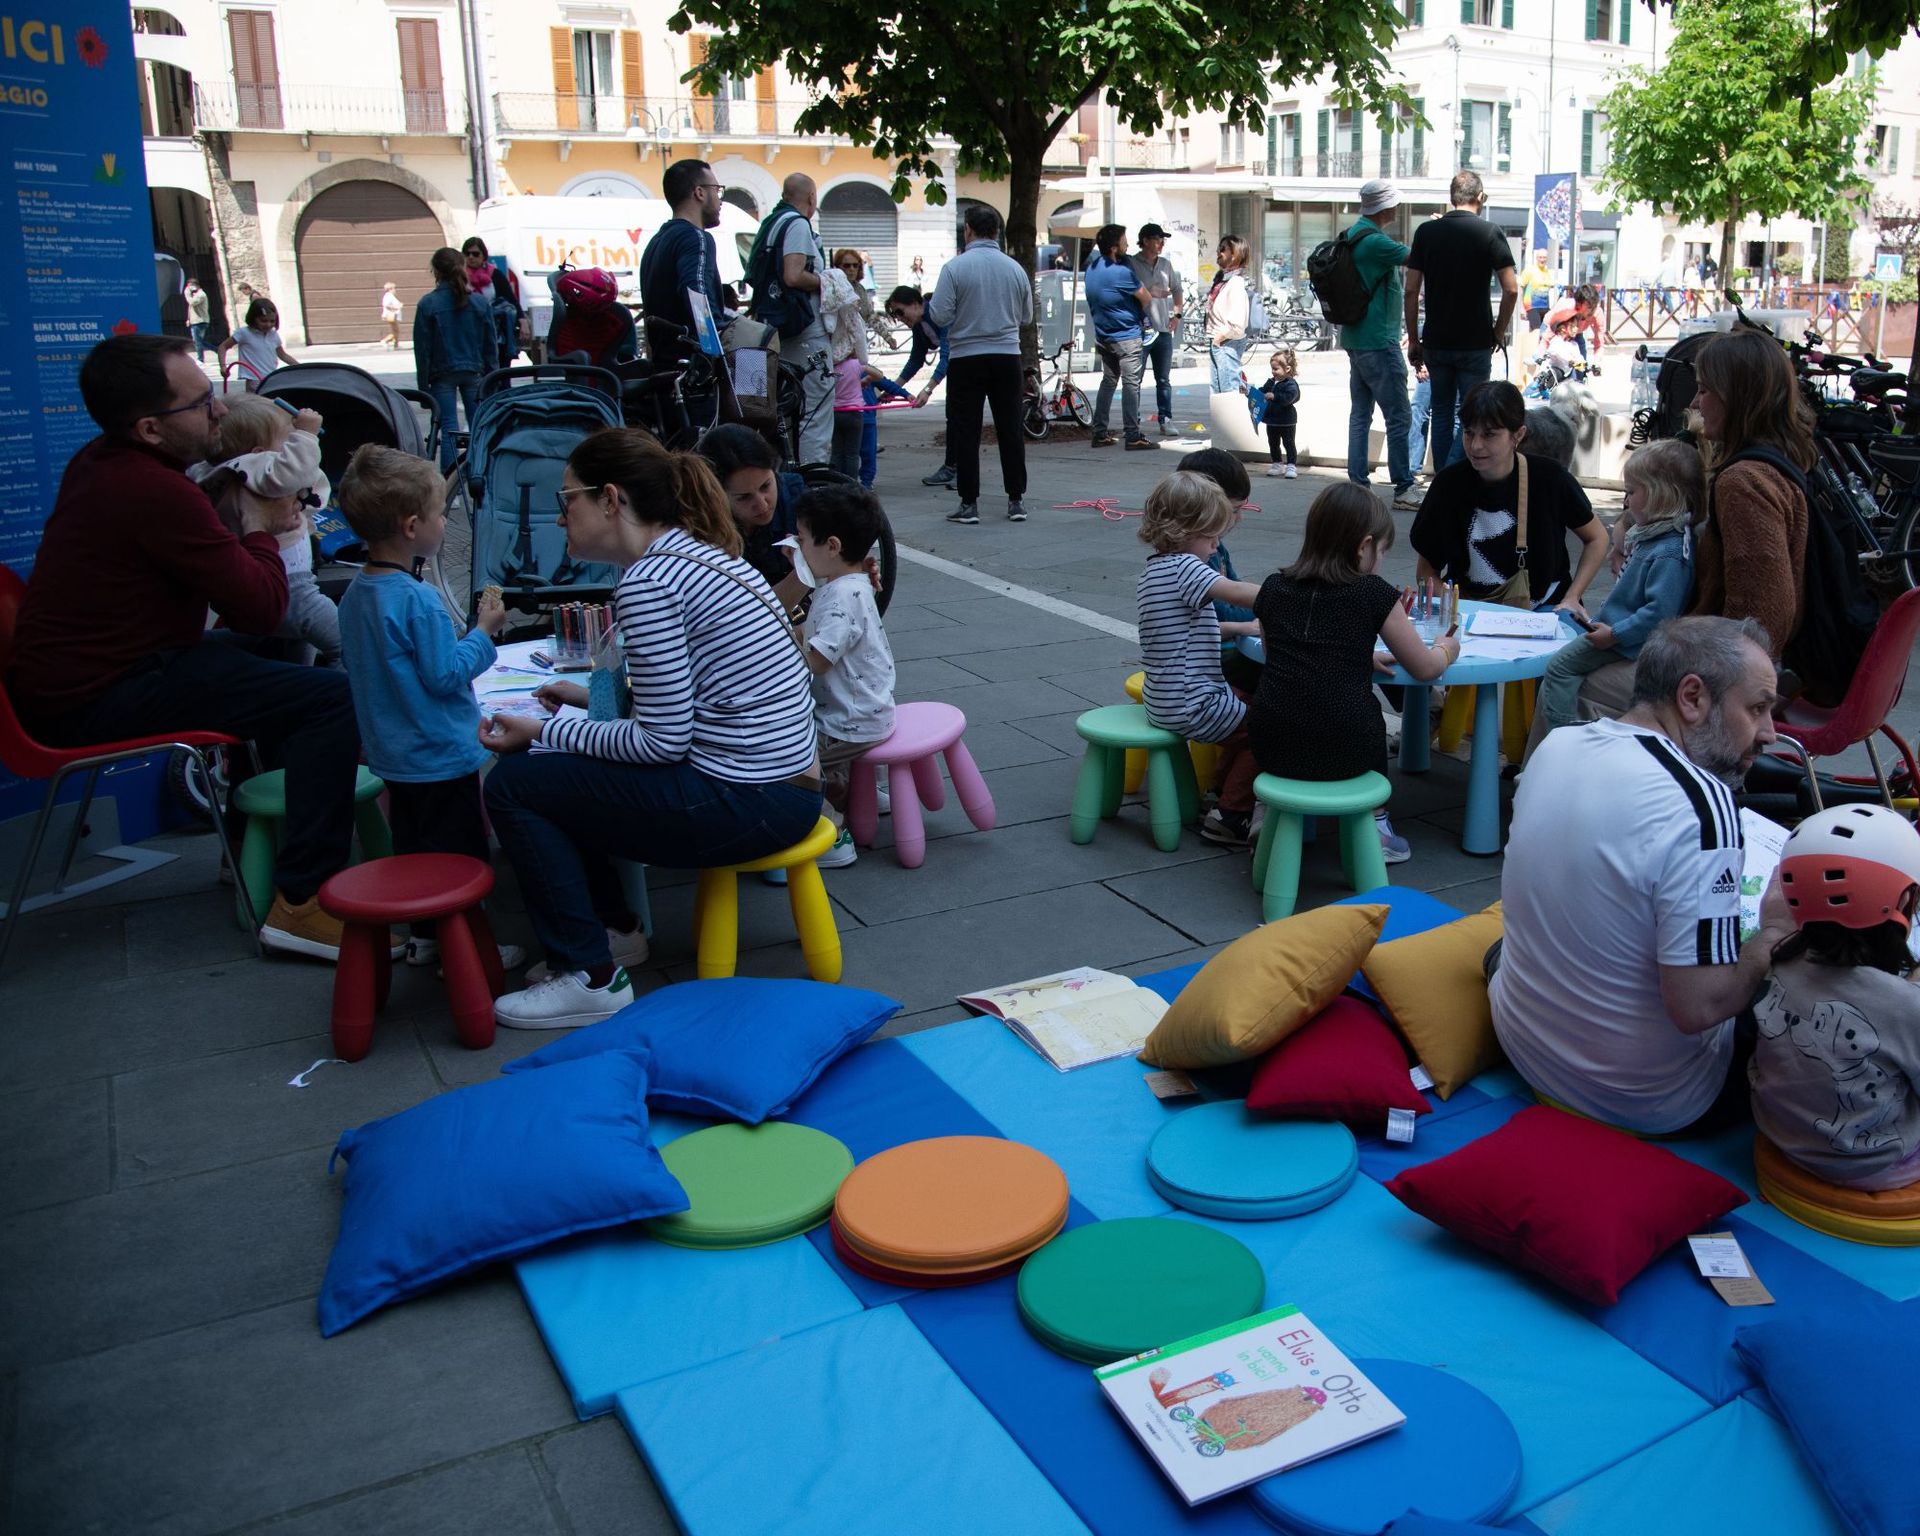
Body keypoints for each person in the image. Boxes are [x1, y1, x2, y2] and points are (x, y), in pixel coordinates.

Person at [6, 333, 360, 957]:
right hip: (97, 695)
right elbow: (263, 605)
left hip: (89, 676)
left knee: (269, 659)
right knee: (333, 700)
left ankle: (250, 847)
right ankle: (304, 902)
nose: (219, 409)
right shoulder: (154, 490)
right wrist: (260, 528)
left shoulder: (104, 462)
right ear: (149, 428)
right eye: (200, 404)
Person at [480, 428, 820, 1029]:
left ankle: (588, 975)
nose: (560, 518)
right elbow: (690, 703)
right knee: (556, 770)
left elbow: (660, 742)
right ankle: (615, 932)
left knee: (515, 784)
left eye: (567, 500)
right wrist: (584, 702)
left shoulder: (650, 581)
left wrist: (542, 732)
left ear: (611, 499)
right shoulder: (691, 556)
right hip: (783, 785)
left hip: (753, 798)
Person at [1491, 616, 1787, 1136]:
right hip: (1651, 1100)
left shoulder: (1558, 745)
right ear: (1692, 697)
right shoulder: (1702, 805)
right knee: (1809, 1003)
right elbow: (1699, 1008)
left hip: (1521, 1045)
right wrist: (1774, 934)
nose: (1770, 733)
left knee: (1502, 949)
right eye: (1757, 708)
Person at [334, 445, 523, 971]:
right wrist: (484, 632)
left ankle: (425, 935)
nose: (445, 523)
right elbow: (445, 674)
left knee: (414, 850)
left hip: (394, 755)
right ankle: (468, 947)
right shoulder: (418, 600)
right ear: (413, 526)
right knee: (461, 857)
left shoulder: (356, 594)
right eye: (441, 514)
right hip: (440, 754)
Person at [1570, 329, 1813, 722]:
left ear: (1736, 397)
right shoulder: (1775, 463)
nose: (1695, 402)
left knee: (1577, 682)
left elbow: (1766, 612)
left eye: (1704, 390)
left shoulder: (1743, 482)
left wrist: (1707, 681)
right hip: (1727, 665)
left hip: (1724, 680)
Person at [1246, 482, 1458, 865]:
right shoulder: (1372, 592)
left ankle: (1267, 810)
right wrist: (1446, 648)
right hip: (1347, 747)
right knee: (1359, 718)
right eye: (1382, 551)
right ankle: (1376, 825)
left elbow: (1281, 655)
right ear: (1364, 546)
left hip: (1270, 740)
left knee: (1297, 709)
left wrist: (1354, 656)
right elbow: (1424, 669)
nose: (1381, 561)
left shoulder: (1274, 587)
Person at [1751, 805, 1920, 1192]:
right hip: (1876, 1165)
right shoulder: (1905, 1006)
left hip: (1782, 1135)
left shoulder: (1778, 966)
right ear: (1903, 901)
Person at [1523, 439, 1701, 759]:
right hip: (1618, 633)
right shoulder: (1657, 537)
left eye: (1631, 492)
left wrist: (1615, 634)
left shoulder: (1670, 551)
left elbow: (1660, 612)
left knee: (1558, 668)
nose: (1626, 500)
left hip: (1623, 641)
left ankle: (1559, 745)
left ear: (1660, 494)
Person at [1134, 472, 1261, 845]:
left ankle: (1217, 794)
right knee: (1269, 729)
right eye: (1210, 537)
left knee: (1250, 704)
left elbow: (1187, 631)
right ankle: (1232, 814)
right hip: (1193, 703)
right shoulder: (1186, 568)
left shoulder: (1154, 571)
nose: (1216, 545)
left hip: (1163, 699)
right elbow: (1239, 593)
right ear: (1183, 532)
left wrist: (1240, 628)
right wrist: (1293, 591)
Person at [1409, 381, 1607, 614]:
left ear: (1518, 435)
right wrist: (1455, 609)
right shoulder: (1448, 484)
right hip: (1470, 609)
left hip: (1544, 607)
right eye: (1469, 433)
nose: (1476, 445)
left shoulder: (1550, 478)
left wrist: (1573, 597)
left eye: (1489, 434)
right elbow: (1426, 572)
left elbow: (1597, 538)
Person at [188, 394, 342, 667]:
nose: (290, 448)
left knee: (293, 648)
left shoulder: (216, 474)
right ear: (258, 454)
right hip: (293, 590)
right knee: (346, 642)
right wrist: (306, 435)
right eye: (287, 441)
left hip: (271, 586)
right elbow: (295, 471)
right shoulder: (257, 470)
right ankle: (351, 685)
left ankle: (302, 679)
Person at [790, 483, 896, 867]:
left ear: (832, 546)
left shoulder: (840, 597)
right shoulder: (852, 584)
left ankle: (833, 836)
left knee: (788, 759)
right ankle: (864, 791)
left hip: (847, 723)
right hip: (870, 710)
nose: (797, 547)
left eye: (802, 539)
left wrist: (785, 641)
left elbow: (818, 662)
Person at [1403, 171, 1517, 475]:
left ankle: (1445, 480)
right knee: (1472, 415)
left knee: (1441, 413)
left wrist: (1413, 338)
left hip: (1437, 340)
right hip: (1476, 340)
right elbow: (1511, 289)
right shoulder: (1490, 232)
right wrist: (1498, 330)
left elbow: (1411, 290)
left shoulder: (1427, 232)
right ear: (1480, 197)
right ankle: (1458, 477)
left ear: (1451, 197)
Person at [928, 202, 1031, 526]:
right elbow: (1026, 316)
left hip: (966, 356)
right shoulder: (1014, 268)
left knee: (966, 430)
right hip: (1007, 355)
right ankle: (1016, 500)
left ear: (968, 230)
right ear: (997, 231)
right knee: (1010, 428)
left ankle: (969, 502)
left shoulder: (955, 268)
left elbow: (939, 314)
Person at [1338, 181, 1417, 509]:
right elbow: (1419, 258)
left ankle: (1358, 484)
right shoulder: (1376, 243)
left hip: (1355, 339)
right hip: (1379, 342)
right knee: (1398, 416)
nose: (1397, 209)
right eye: (1394, 204)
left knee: (1360, 415)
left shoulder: (1351, 235)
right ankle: (1403, 487)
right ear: (1385, 207)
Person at [747, 173, 833, 467]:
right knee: (815, 407)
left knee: (776, 407)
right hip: (802, 331)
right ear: (811, 197)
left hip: (771, 327)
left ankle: (781, 470)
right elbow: (793, 275)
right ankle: (814, 474)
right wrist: (826, 281)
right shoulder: (797, 224)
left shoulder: (771, 223)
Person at [696, 422, 805, 610]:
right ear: (717, 496)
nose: (762, 504)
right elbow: (747, 614)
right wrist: (805, 572)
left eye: (766, 486)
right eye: (744, 497)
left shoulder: (796, 499)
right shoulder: (705, 534)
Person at [414, 246, 498, 472]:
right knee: (479, 426)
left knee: (449, 428)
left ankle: (452, 481)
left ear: (435, 271)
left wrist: (423, 388)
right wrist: (493, 376)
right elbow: (490, 345)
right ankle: (480, 475)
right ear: (462, 267)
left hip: (442, 373)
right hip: (474, 371)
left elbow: (422, 350)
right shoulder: (479, 302)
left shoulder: (427, 304)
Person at [640, 158, 731, 366]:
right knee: (759, 345)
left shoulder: (657, 241)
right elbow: (698, 297)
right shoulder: (696, 238)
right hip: (695, 368)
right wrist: (717, 344)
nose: (720, 201)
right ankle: (748, 389)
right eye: (717, 190)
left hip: (664, 365)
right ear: (699, 193)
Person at [1087, 223, 1154, 451]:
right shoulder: (1121, 273)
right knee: (1131, 384)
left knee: (1108, 381)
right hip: (1126, 336)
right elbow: (1146, 297)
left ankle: (1099, 432)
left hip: (1103, 336)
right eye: (1124, 240)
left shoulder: (1093, 268)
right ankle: (1133, 435)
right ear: (1114, 247)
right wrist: (1135, 310)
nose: (1128, 243)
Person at [885, 285, 954, 486]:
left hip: (969, 363)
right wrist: (892, 389)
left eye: (900, 312)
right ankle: (953, 467)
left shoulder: (939, 313)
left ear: (915, 304)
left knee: (959, 418)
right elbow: (916, 359)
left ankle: (956, 469)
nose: (899, 318)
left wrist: (928, 389)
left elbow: (947, 356)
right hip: (959, 365)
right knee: (955, 418)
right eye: (895, 314)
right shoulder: (918, 323)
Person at [1130, 222, 1184, 438]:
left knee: (1163, 379)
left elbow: (1177, 289)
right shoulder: (1132, 264)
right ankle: (1132, 420)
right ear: (1145, 241)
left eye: (1163, 240)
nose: (1161, 244)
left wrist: (1177, 315)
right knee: (1135, 379)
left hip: (1162, 330)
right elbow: (1126, 290)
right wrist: (1148, 292)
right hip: (1140, 329)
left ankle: (1166, 419)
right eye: (1157, 239)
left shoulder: (1165, 264)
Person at [1204, 235, 1254, 396]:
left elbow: (1238, 323)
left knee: (1229, 393)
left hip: (1227, 342)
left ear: (1235, 254)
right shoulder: (1224, 280)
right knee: (1219, 393)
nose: (1218, 252)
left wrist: (1219, 338)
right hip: (1220, 341)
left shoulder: (1235, 283)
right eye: (1218, 248)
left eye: (1223, 249)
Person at [462, 236, 522, 365]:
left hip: (496, 329)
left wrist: (522, 320)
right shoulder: (460, 277)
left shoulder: (495, 274)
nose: (471, 257)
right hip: (470, 328)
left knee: (499, 366)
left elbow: (510, 299)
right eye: (467, 254)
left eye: (475, 254)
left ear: (483, 255)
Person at [217, 297, 297, 391]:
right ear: (254, 318)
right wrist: (223, 366)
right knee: (258, 399)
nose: (268, 325)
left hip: (271, 378)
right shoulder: (244, 333)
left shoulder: (273, 334)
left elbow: (283, 355)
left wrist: (298, 366)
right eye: (263, 321)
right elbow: (223, 347)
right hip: (254, 379)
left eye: (272, 321)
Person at [1260, 347, 1300, 478]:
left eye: (1276, 369)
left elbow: (1290, 398)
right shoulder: (1271, 382)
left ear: (1287, 369)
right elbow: (1261, 392)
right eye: (1272, 368)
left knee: (1289, 443)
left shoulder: (1291, 384)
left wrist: (1275, 396)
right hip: (1272, 419)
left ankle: (1291, 465)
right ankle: (1277, 463)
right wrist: (1249, 391)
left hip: (1286, 420)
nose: (1273, 372)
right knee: (1273, 443)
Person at [1519, 249, 1555, 332]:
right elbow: (1520, 289)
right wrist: (1522, 308)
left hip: (1545, 307)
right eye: (1540, 257)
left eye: (1544, 257)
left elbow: (1550, 289)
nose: (1542, 260)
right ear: (1536, 258)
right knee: (1536, 331)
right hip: (1532, 307)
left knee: (1546, 332)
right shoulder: (1529, 271)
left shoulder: (1547, 272)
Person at [184, 279, 210, 362]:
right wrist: (188, 319)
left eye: (190, 286)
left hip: (200, 321)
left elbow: (192, 302)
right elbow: (190, 308)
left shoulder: (201, 294)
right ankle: (217, 349)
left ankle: (200, 359)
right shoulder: (195, 295)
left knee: (197, 341)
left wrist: (187, 294)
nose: (189, 288)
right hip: (195, 321)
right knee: (198, 341)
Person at [379, 283, 403, 349]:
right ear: (390, 289)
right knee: (396, 331)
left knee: (396, 330)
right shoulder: (388, 296)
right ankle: (385, 340)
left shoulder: (390, 296)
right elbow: (387, 305)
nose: (395, 290)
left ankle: (396, 345)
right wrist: (397, 307)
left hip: (393, 315)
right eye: (394, 288)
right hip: (391, 315)